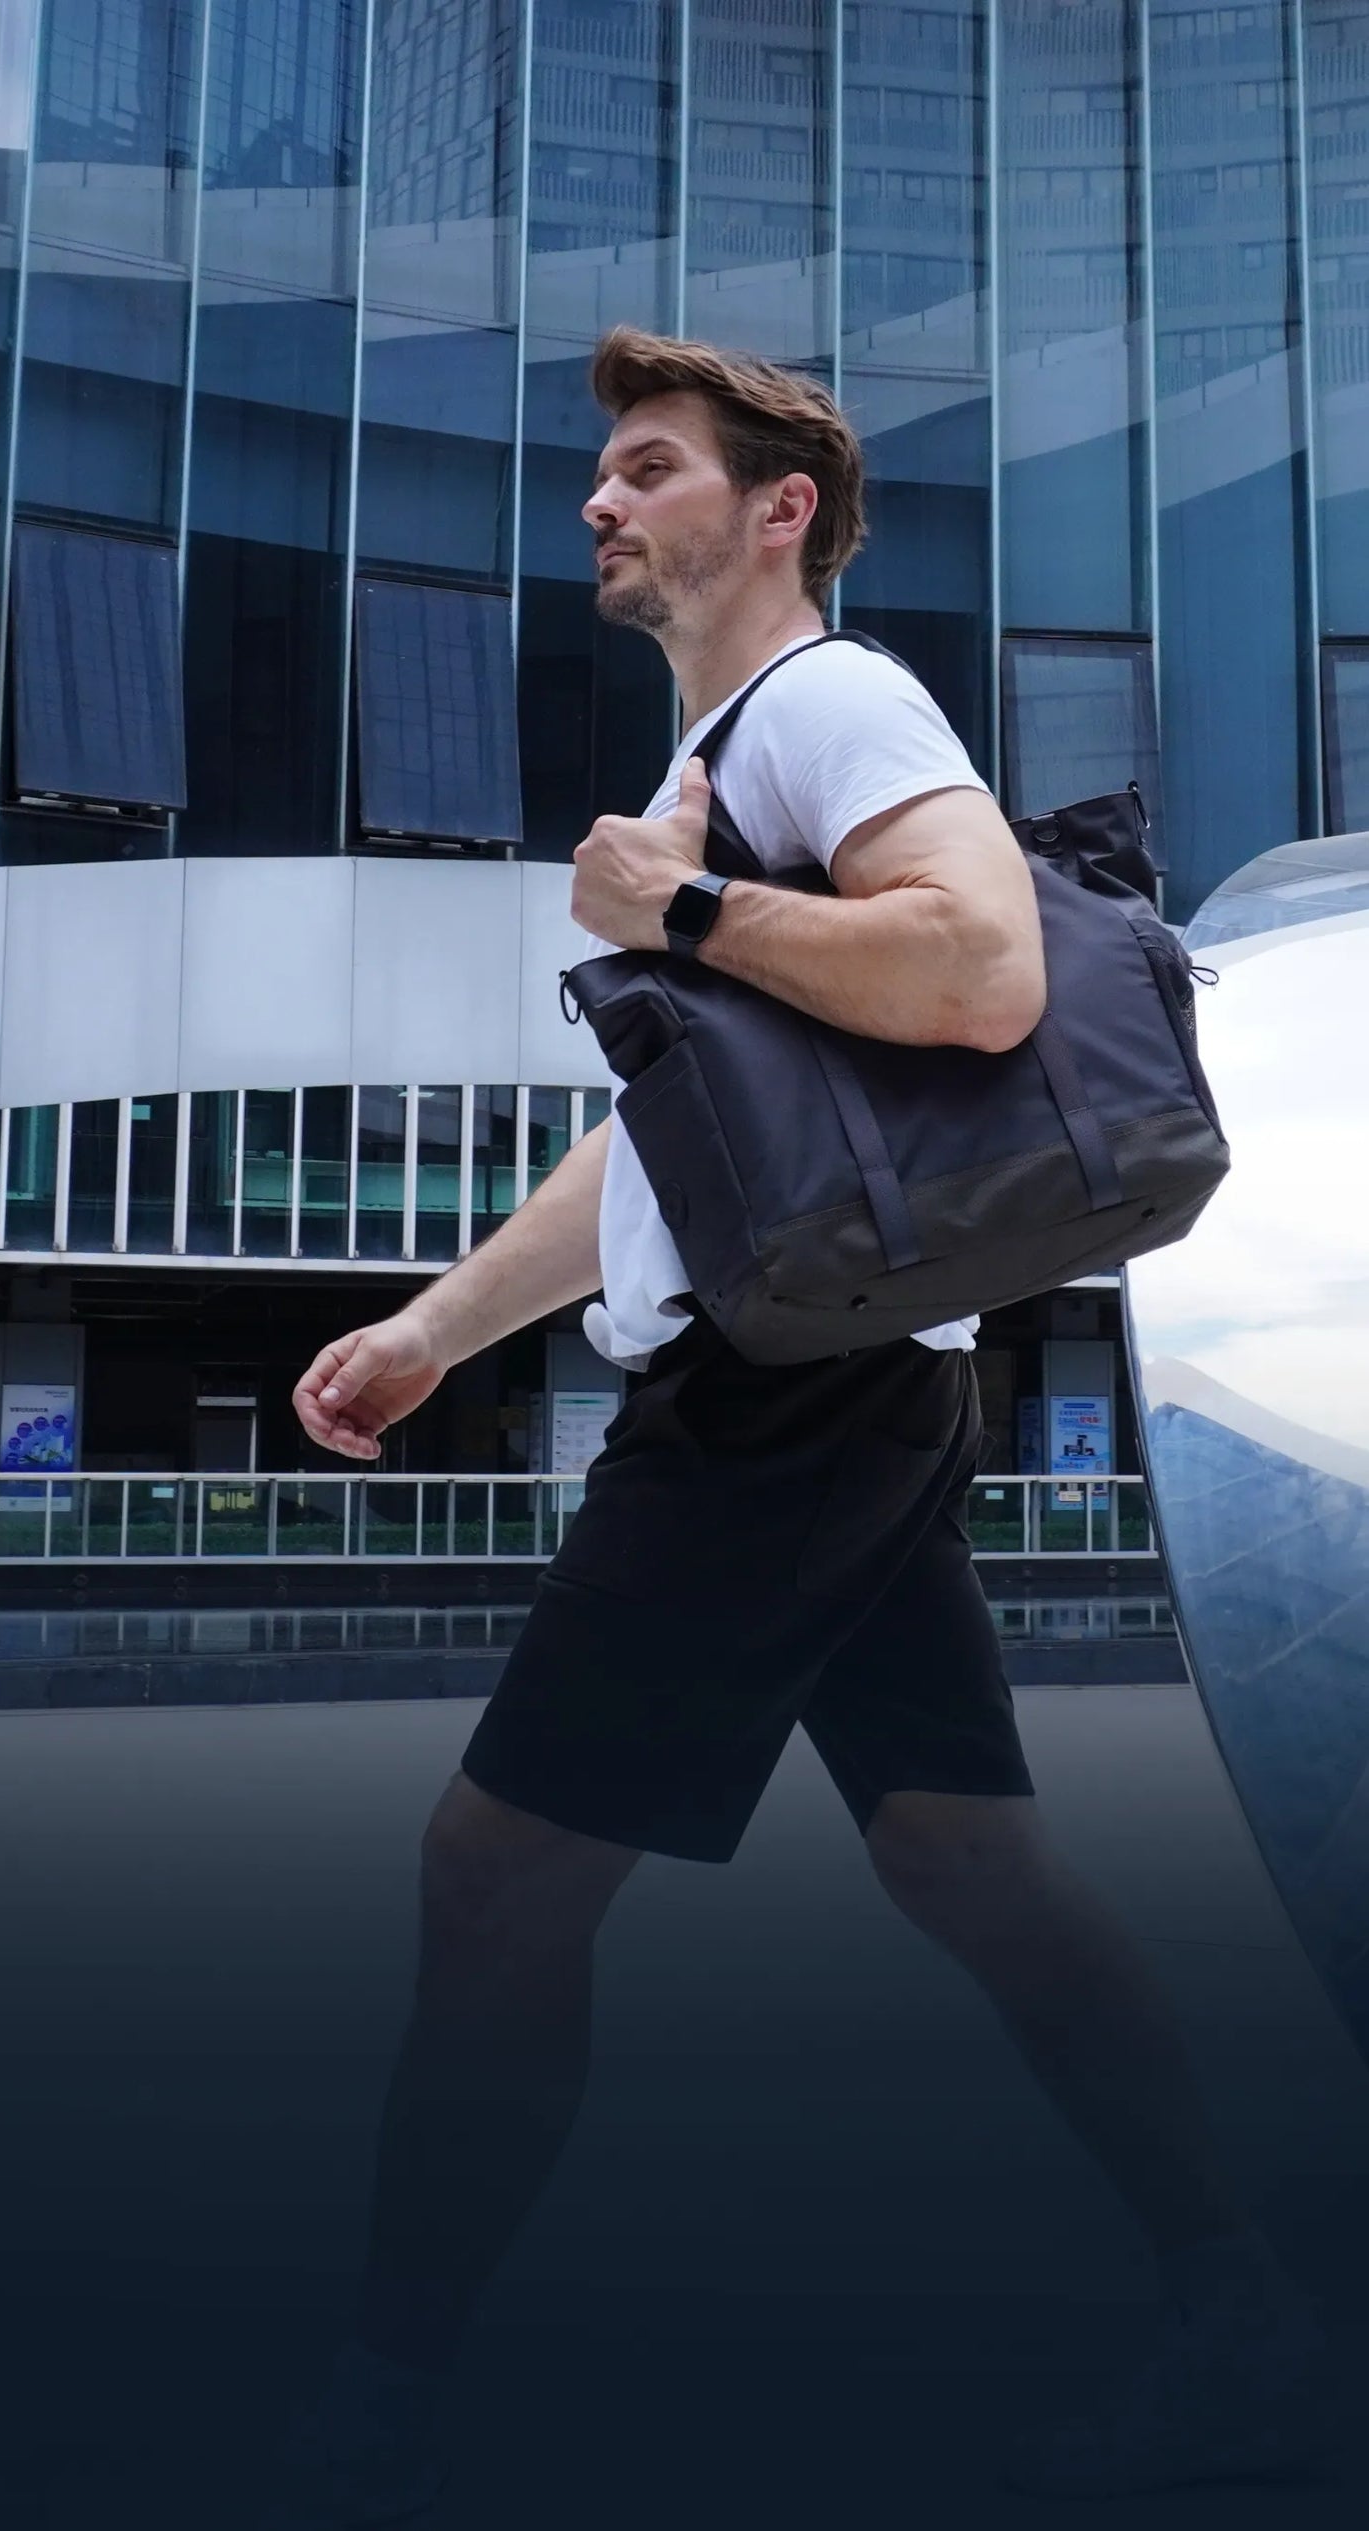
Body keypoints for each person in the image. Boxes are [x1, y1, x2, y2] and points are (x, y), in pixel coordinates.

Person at [267, 328, 1326, 2525]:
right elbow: (674, 1147)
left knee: (491, 1881)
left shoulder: (828, 707)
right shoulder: (721, 759)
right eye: (605, 472)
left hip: (783, 1400)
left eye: (647, 469)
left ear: (779, 515)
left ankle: (377, 2404)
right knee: (973, 1861)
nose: (600, 502)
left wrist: (686, 909)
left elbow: (986, 972)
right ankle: (1247, 2321)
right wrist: (437, 1324)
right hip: (845, 1379)